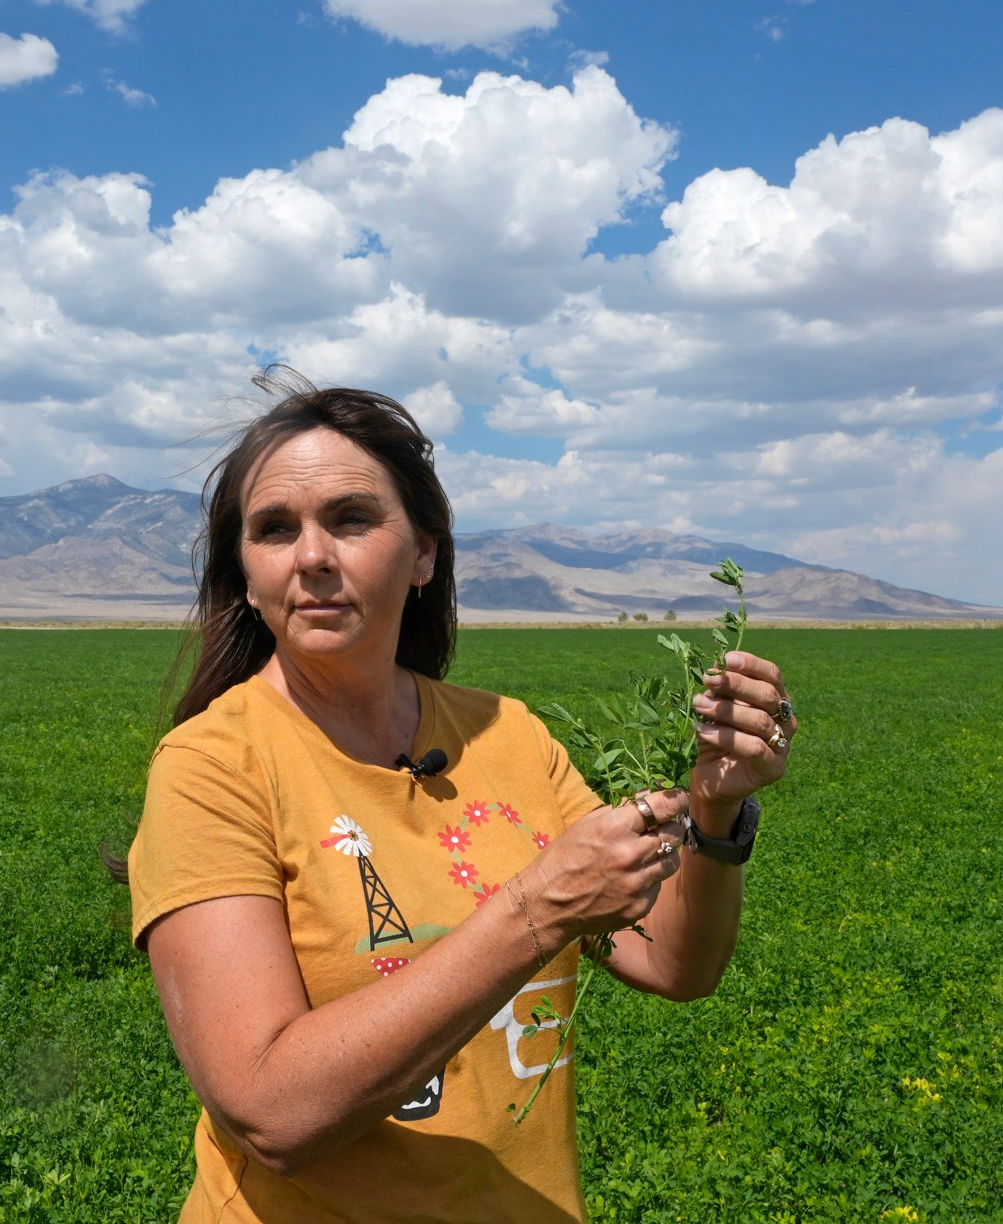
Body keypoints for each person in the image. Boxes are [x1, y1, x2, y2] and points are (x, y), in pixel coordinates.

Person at [126, 377, 795, 1222]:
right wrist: (538, 912)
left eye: (351, 518)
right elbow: (272, 1115)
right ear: (247, 573)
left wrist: (714, 813)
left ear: (426, 555)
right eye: (274, 530)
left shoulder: (507, 734)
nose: (312, 557)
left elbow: (671, 961)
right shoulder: (212, 767)